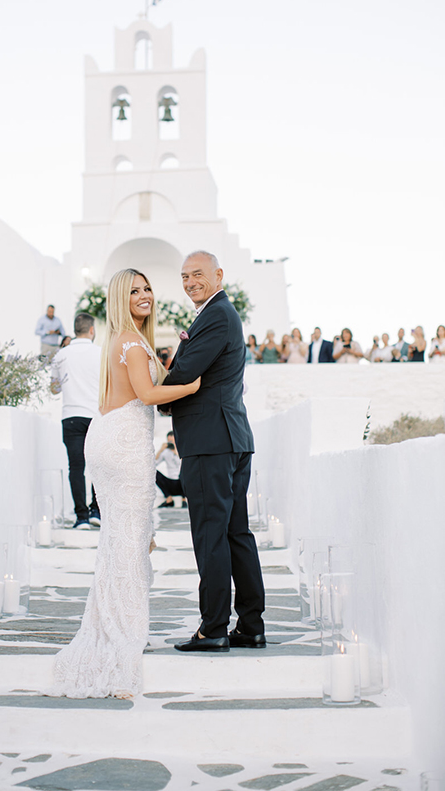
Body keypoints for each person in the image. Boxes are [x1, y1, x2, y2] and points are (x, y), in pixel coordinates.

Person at [49, 269, 199, 698]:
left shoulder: (124, 340)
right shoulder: (132, 342)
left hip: (111, 436)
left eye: (148, 287)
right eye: (134, 290)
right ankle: (123, 631)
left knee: (122, 538)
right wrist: (193, 384)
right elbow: (149, 396)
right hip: (124, 443)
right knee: (131, 541)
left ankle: (117, 621)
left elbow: (141, 389)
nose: (144, 295)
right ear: (120, 298)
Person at [164, 250, 265, 654]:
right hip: (231, 438)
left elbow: (187, 372)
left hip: (211, 441)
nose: (190, 282)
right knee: (235, 533)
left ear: (218, 275)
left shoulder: (217, 314)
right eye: (185, 276)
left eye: (198, 274)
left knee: (211, 535)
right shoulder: (217, 313)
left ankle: (214, 628)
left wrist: (160, 396)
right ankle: (251, 625)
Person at [50, 313, 102, 529]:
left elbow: (54, 389)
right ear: (91, 330)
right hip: (96, 416)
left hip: (71, 416)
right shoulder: (101, 353)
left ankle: (80, 517)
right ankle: (96, 512)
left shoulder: (61, 355)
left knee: (76, 467)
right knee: (98, 466)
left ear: (75, 329)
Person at [156, 431, 187, 508]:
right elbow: (154, 463)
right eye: (170, 441)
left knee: (186, 472)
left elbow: (185, 464)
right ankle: (169, 499)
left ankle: (184, 500)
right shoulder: (166, 452)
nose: (172, 443)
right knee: (154, 472)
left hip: (181, 482)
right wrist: (160, 450)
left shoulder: (182, 450)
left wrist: (176, 451)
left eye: (173, 441)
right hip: (171, 482)